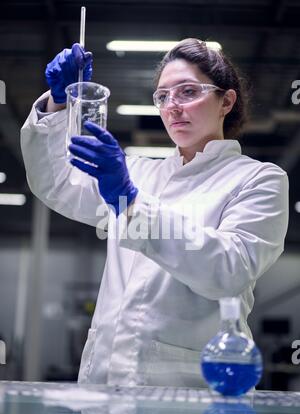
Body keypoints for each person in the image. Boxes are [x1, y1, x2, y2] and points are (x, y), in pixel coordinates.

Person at [21, 38, 289, 387]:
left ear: (226, 101)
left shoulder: (258, 179)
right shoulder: (136, 172)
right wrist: (58, 103)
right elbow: (55, 184)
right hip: (102, 386)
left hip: (187, 398)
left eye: (188, 92)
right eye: (163, 96)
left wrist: (131, 202)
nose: (172, 107)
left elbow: (229, 270)